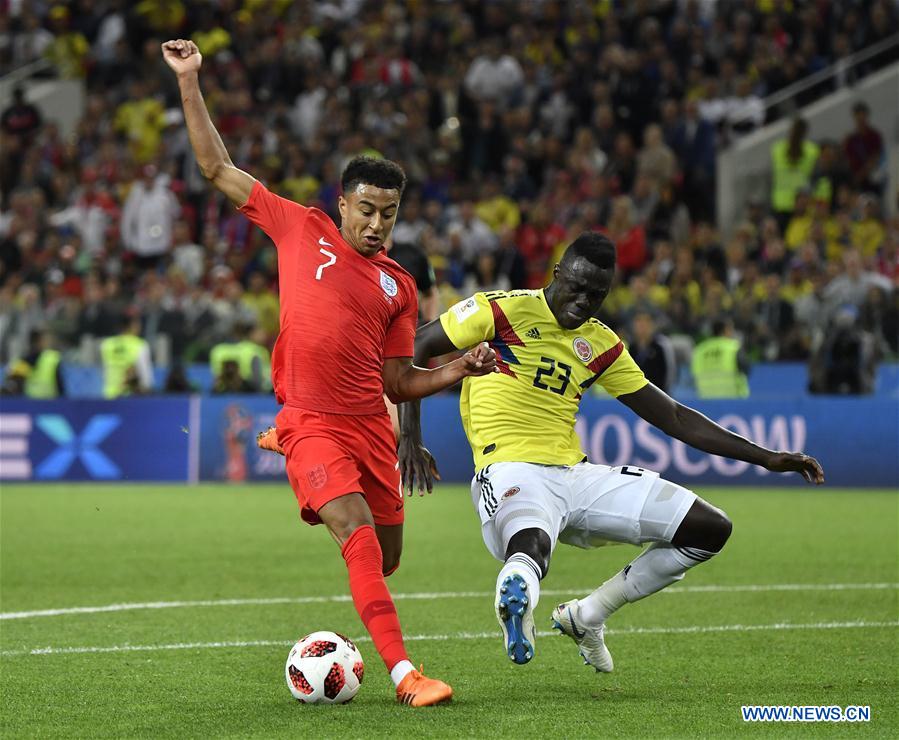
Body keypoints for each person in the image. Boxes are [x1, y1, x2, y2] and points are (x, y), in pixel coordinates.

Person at [162, 38, 498, 706]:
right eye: (367, 210)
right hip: (312, 420)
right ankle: (408, 676)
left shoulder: (398, 287)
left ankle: (367, 627)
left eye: (390, 214)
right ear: (342, 204)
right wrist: (190, 80)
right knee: (357, 534)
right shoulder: (297, 227)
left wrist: (457, 367)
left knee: (387, 555)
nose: (377, 225)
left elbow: (399, 381)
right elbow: (215, 166)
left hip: (369, 425)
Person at [398, 232, 823, 672]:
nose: (583, 301)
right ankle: (517, 596)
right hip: (508, 469)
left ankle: (588, 615)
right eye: (576, 287)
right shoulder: (502, 309)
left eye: (596, 294)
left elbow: (674, 417)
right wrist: (409, 436)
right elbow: (418, 344)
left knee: (710, 528)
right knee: (530, 546)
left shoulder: (601, 343)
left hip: (577, 477)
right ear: (556, 272)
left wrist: (767, 457)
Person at [691, 318, 750, 398]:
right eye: (731, 329)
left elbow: (694, 375)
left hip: (706, 401)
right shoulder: (734, 348)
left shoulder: (699, 350)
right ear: (725, 330)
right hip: (732, 402)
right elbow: (746, 371)